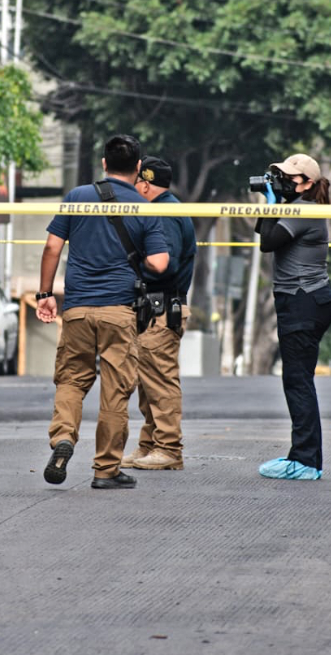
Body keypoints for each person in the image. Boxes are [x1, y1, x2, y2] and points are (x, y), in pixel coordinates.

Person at [36, 135, 169, 489]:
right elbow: (159, 262)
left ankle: (63, 437)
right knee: (116, 390)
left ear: (104, 163)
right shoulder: (144, 207)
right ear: (139, 167)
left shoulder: (77, 197)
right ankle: (106, 470)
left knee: (71, 380)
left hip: (78, 308)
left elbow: (52, 246)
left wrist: (46, 294)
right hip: (119, 312)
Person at [254, 154, 331, 481]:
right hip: (303, 301)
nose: (284, 182)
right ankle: (305, 458)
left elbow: (268, 242)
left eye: (290, 178)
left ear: (308, 183)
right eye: (280, 177)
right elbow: (265, 230)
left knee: (297, 381)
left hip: (304, 301)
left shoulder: (304, 210)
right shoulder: (296, 206)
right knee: (298, 380)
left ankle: (304, 461)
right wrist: (271, 202)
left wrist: (274, 204)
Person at [122, 156, 196, 472]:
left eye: (136, 182)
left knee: (160, 381)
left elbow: (166, 265)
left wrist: (131, 266)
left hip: (162, 308)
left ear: (146, 184)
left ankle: (168, 448)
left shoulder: (162, 213)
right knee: (148, 382)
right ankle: (150, 444)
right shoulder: (166, 208)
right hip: (156, 308)